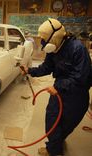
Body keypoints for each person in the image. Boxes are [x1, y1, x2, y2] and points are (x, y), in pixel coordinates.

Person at [22, 18, 91, 156]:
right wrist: (30, 70)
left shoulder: (78, 49)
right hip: (59, 92)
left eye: (44, 38)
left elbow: (83, 77)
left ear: (55, 37)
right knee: (52, 121)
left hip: (76, 96)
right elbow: (47, 67)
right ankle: (54, 148)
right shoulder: (53, 48)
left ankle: (54, 148)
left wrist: (59, 87)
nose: (42, 42)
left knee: (66, 125)